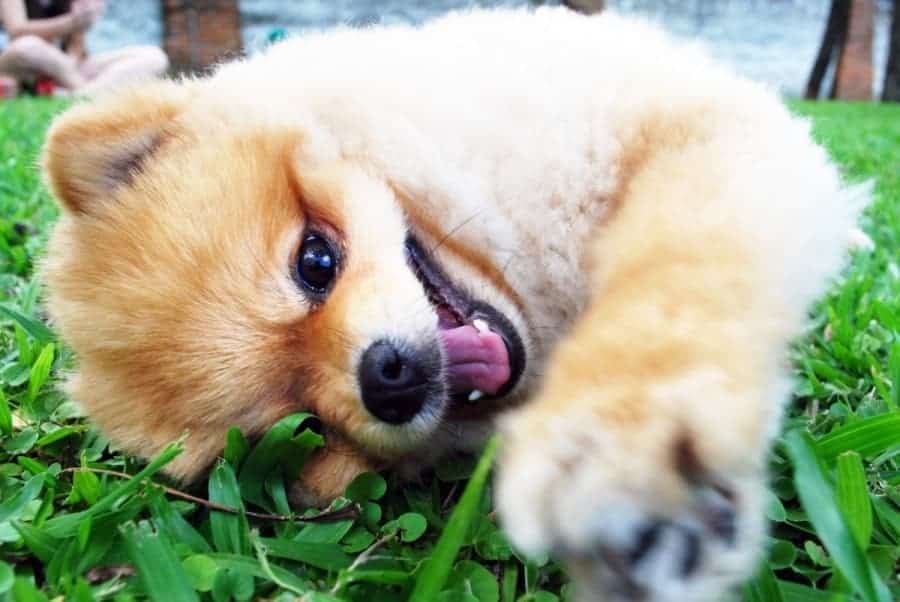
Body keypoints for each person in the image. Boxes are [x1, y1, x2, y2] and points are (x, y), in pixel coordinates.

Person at [0, 0, 167, 96]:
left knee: (153, 57)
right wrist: (71, 22)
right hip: (22, 63)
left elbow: (77, 41)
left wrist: (71, 60)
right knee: (28, 46)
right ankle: (86, 93)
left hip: (66, 67)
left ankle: (79, 95)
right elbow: (17, 30)